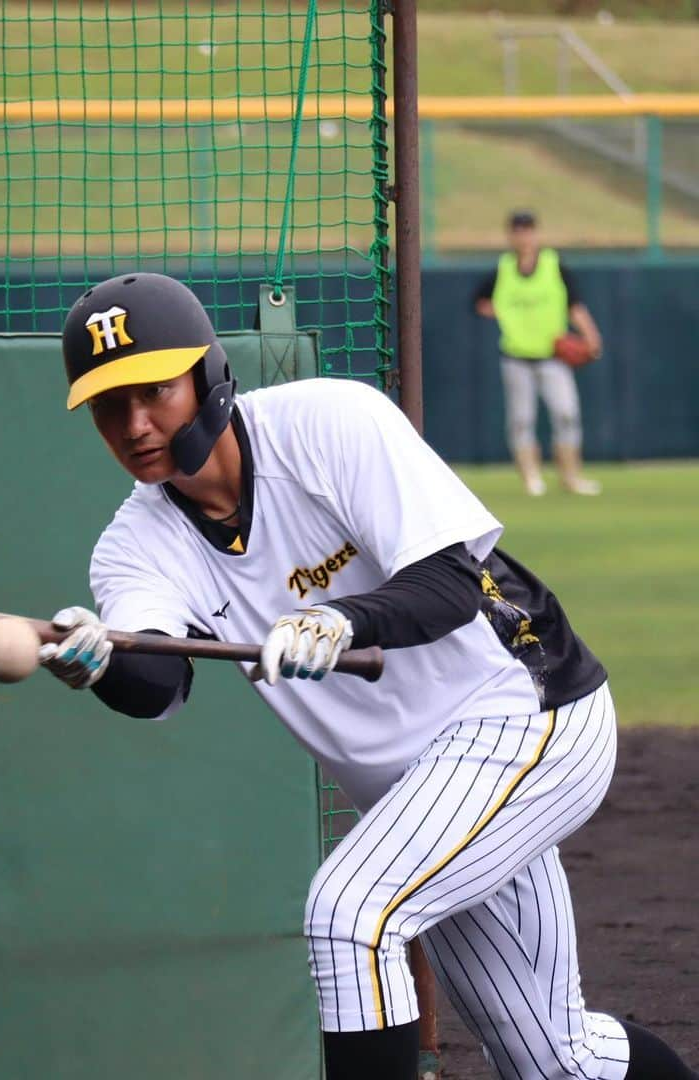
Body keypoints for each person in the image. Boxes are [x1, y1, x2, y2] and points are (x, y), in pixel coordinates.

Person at [37, 272, 695, 1080]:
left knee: (351, 915)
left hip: (530, 714)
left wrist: (345, 617)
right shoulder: (136, 546)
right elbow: (157, 681)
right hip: (421, 789)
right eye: (109, 404)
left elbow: (453, 582)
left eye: (154, 390)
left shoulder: (327, 424)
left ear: (209, 376)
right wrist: (102, 662)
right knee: (556, 1060)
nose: (135, 423)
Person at [474, 210, 603, 497]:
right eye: (518, 230)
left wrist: (590, 335)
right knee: (521, 420)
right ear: (511, 235)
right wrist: (501, 313)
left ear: (536, 233)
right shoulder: (503, 268)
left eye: (528, 230)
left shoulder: (553, 266)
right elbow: (479, 302)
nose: (523, 236)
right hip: (516, 356)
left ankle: (570, 476)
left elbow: (575, 305)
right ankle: (531, 478)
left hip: (552, 357)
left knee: (567, 414)